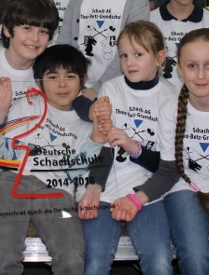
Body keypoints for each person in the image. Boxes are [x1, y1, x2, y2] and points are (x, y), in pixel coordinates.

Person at [111, 28, 209, 275]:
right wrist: (136, 200)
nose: (201, 75)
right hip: (184, 189)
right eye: (192, 66)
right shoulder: (170, 110)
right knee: (197, 260)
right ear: (180, 69)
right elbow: (168, 172)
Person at [0, 44, 102, 275]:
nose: (62, 84)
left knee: (72, 255)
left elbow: (75, 172)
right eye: (52, 77)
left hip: (56, 191)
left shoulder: (85, 125)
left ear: (83, 80)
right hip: (12, 181)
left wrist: (95, 140)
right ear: (39, 80)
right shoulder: (27, 105)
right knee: (4, 252)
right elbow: (4, 155)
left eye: (70, 76)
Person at [79, 21, 175, 275]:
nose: (129, 62)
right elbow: (102, 146)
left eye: (138, 54)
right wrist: (94, 187)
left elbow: (166, 166)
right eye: (123, 55)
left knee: (159, 262)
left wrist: (134, 147)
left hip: (147, 194)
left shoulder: (171, 98)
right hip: (106, 188)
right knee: (95, 261)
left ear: (160, 58)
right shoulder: (111, 88)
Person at [0, 0, 58, 123]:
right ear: (7, 30)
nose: (35, 38)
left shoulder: (51, 69)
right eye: (27, 28)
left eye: (43, 31)